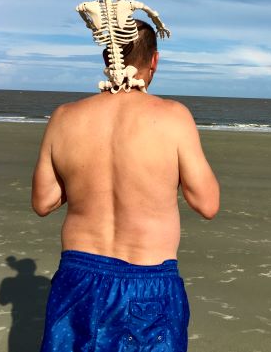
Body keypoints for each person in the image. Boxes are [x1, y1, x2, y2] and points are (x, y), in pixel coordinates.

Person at [32, 19, 220, 352]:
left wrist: (85, 178)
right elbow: (207, 204)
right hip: (147, 284)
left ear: (107, 59)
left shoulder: (63, 117)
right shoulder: (173, 116)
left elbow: (43, 201)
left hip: (78, 278)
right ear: (154, 61)